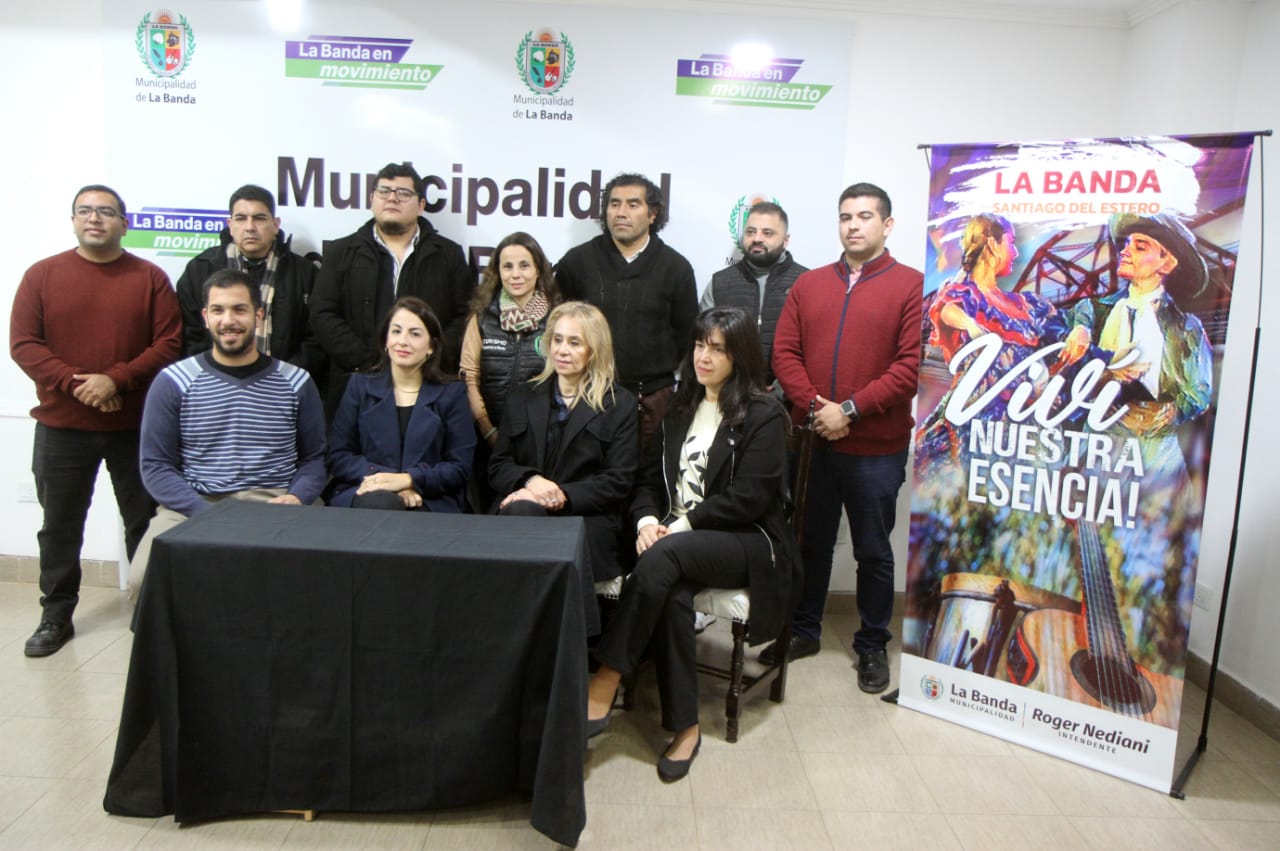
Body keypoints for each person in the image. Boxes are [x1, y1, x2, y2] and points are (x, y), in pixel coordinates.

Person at [584, 307, 800, 782]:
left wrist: (678, 527)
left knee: (666, 557)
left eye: (718, 349)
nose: (704, 356)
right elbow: (645, 480)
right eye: (700, 345)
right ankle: (686, 728)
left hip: (746, 541)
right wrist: (646, 520)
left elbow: (750, 498)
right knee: (674, 594)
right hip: (676, 542)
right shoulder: (679, 408)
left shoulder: (763, 414)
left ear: (739, 356)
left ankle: (606, 678)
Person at [10, 184, 181, 656]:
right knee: (60, 527)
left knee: (144, 522)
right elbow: (24, 344)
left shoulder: (151, 278)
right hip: (61, 428)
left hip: (135, 428)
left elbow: (168, 343)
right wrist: (80, 385)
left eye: (105, 211)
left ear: (124, 223)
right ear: (73, 220)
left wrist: (115, 381)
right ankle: (55, 615)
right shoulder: (42, 275)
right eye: (84, 210)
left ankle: (147, 611)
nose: (94, 218)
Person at [768, 182, 923, 694]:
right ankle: (804, 629)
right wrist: (819, 410)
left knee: (873, 551)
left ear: (887, 224)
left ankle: (872, 643)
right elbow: (784, 354)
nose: (853, 225)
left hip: (876, 449)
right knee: (809, 543)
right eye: (845, 217)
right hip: (814, 441)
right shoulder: (809, 284)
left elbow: (910, 367)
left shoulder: (912, 286)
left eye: (864, 216)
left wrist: (850, 410)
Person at [131, 269, 327, 595]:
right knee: (142, 581)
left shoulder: (296, 381)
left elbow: (315, 458)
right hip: (196, 503)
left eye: (239, 309)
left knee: (325, 577)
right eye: (218, 310)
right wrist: (204, 513)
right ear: (205, 317)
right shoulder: (173, 382)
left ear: (258, 316)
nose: (228, 320)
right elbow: (155, 466)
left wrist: (297, 496)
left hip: (277, 500)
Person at [488, 301, 638, 586]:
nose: (562, 350)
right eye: (557, 340)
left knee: (560, 536)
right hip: (523, 509)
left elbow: (618, 481)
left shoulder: (620, 404)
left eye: (574, 343)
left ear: (594, 350)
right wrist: (532, 482)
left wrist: (558, 495)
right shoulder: (522, 395)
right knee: (522, 512)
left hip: (585, 516)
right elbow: (499, 466)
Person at [310, 162, 473, 413]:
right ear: (372, 199)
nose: (392, 199)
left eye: (403, 193)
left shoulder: (448, 254)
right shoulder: (341, 252)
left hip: (429, 385)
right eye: (384, 191)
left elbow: (465, 315)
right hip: (357, 384)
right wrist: (369, 362)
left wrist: (428, 357)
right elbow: (322, 313)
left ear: (421, 205)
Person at [554, 173, 698, 445]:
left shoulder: (676, 268)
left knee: (647, 471)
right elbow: (558, 323)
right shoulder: (577, 261)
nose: (621, 212)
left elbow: (686, 334)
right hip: (587, 394)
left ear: (652, 214)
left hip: (651, 399)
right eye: (614, 203)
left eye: (633, 204)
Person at [915, 213, 1067, 466]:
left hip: (1026, 420)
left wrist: (1080, 331)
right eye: (1011, 243)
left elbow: (1060, 331)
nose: (1015, 252)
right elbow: (947, 310)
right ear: (993, 244)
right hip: (979, 422)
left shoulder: (1025, 304)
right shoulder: (965, 296)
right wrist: (971, 326)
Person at [327, 297, 474, 512]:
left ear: (431, 347)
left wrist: (410, 480)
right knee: (381, 502)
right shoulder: (359, 386)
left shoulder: (452, 394)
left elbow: (459, 466)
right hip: (367, 489)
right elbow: (339, 456)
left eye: (414, 334)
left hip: (430, 497)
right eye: (396, 331)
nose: (402, 341)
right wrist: (386, 481)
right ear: (385, 340)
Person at [173, 183, 325, 381]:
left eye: (259, 218)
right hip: (213, 385)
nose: (250, 227)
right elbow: (190, 335)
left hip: (285, 385)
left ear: (275, 224)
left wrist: (284, 378)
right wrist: (215, 378)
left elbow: (316, 338)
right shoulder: (201, 269)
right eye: (241, 218)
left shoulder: (304, 273)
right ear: (230, 224)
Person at [459, 231, 558, 508]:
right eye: (507, 266)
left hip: (540, 442)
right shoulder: (482, 318)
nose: (516, 274)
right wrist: (488, 431)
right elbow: (469, 378)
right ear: (497, 272)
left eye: (524, 265)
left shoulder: (557, 319)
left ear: (538, 270)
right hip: (486, 438)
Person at [699, 201, 808, 387]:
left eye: (767, 233)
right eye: (750, 232)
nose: (757, 238)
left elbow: (813, 346)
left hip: (787, 395)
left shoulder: (806, 282)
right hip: (729, 392)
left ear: (785, 240)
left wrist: (782, 388)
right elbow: (705, 342)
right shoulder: (719, 283)